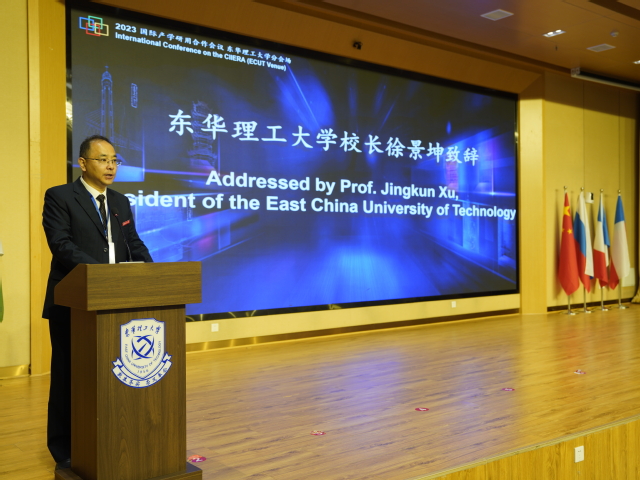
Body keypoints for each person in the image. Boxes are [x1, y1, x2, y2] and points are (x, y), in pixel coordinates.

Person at [42, 135, 153, 470]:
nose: (110, 166)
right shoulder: (60, 196)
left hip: (115, 304)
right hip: (73, 303)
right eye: (103, 159)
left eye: (114, 160)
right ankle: (63, 448)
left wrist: (151, 273)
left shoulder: (120, 201)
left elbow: (132, 242)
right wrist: (103, 274)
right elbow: (61, 244)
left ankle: (110, 441)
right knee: (69, 377)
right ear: (83, 163)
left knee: (111, 377)